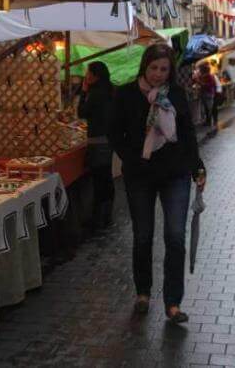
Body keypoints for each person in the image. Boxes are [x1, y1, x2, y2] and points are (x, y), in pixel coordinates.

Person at [108, 44, 206, 324]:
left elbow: (187, 133)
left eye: (164, 69)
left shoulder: (176, 94)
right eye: (154, 68)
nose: (158, 74)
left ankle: (173, 303)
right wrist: (132, 157)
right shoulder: (126, 94)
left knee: (175, 237)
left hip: (175, 172)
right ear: (144, 66)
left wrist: (198, 166)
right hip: (140, 174)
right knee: (142, 236)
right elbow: (115, 132)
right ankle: (143, 293)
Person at [78, 61, 115, 231]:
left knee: (99, 179)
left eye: (88, 72)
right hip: (108, 139)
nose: (86, 75)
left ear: (95, 75)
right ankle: (106, 216)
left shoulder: (95, 93)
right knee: (106, 178)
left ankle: (98, 219)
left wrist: (84, 92)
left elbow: (81, 113)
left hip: (97, 141)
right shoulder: (110, 90)